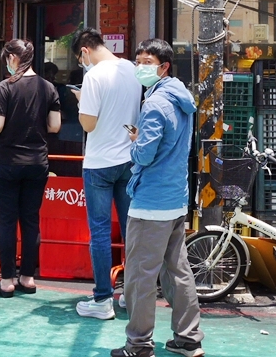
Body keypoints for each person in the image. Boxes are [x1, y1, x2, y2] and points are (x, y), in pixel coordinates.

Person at [113, 39, 204, 357]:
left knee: (139, 275)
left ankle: (138, 344)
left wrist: (135, 142)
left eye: (147, 61)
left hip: (150, 202)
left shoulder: (154, 104)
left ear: (164, 66)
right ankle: (189, 338)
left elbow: (145, 155)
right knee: (178, 271)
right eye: (138, 60)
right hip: (175, 197)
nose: (141, 66)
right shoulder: (182, 99)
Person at [72, 28, 142, 320]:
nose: (81, 64)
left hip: (99, 164)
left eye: (79, 58)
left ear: (85, 51)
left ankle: (102, 299)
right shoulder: (131, 68)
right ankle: (131, 294)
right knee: (131, 231)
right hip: (129, 160)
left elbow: (88, 124)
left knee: (100, 232)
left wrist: (80, 101)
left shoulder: (94, 77)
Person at [0, 39, 60, 297]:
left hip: (6, 161)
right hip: (37, 162)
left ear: (14, 58)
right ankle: (27, 278)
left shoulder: (6, 87)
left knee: (6, 220)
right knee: (30, 220)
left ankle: (6, 281)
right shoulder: (48, 87)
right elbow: (55, 125)